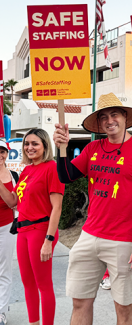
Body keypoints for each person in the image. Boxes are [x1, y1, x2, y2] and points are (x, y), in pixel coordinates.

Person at [53, 92, 132, 325]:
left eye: (114, 114)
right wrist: (61, 148)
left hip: (125, 241)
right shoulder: (93, 148)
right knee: (79, 302)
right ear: (99, 123)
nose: (109, 120)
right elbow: (66, 175)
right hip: (89, 236)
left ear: (124, 117)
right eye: (103, 117)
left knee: (123, 307)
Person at [0, 129, 65, 325]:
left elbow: (57, 208)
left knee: (43, 285)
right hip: (23, 231)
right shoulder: (27, 171)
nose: (29, 147)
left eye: (35, 143)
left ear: (45, 145)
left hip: (41, 231)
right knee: (28, 284)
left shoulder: (52, 168)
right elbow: (13, 202)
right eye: (27, 143)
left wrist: (49, 240)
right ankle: (33, 322)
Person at [0, 140, 18, 325]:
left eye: (3, 151)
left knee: (4, 270)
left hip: (6, 228)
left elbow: (16, 202)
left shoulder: (14, 175)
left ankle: (1, 311)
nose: (0, 155)